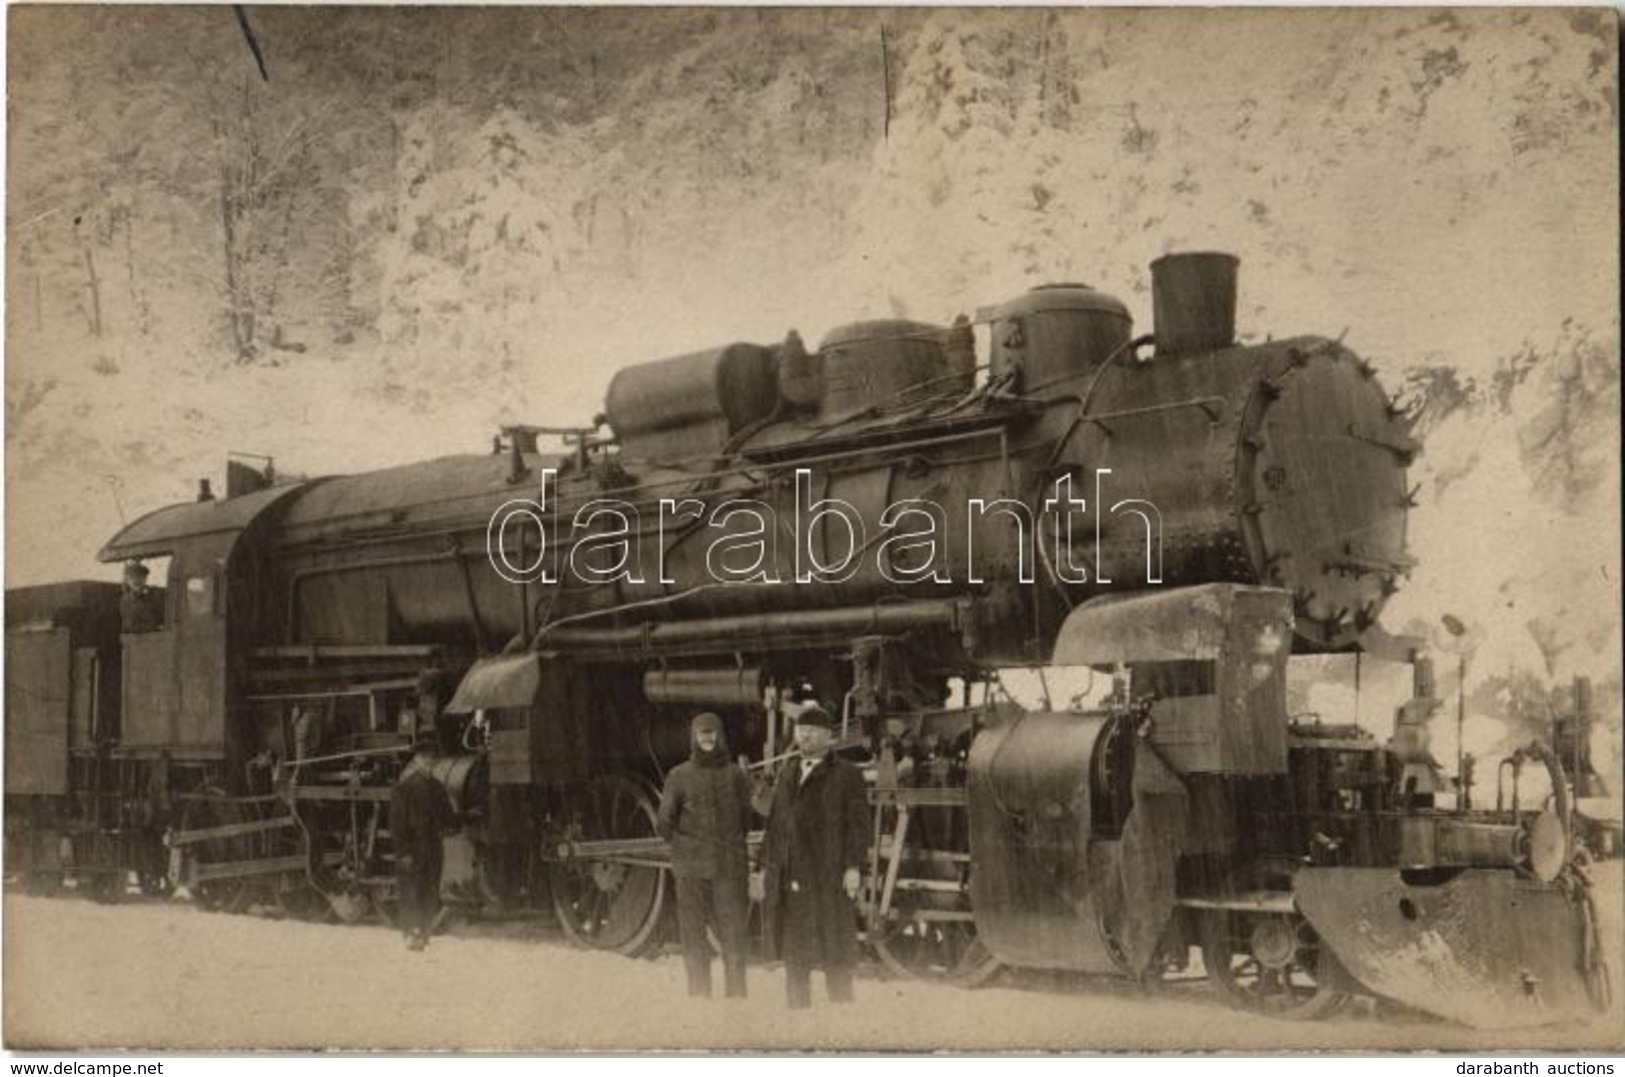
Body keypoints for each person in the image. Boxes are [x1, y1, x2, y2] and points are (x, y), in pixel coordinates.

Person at [760, 702, 868, 1009]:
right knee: (795, 950)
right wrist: (766, 866)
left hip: (829, 873)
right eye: (801, 731)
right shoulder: (788, 771)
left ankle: (842, 1008)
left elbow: (858, 825)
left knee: (835, 945)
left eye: (812, 732)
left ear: (827, 737)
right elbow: (775, 823)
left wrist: (853, 866)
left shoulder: (847, 775)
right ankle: (797, 1009)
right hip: (793, 874)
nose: (805, 737)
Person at [656, 712, 753, 999]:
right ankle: (699, 997)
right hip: (692, 873)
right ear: (694, 738)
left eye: (711, 734)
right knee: (694, 937)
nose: (707, 740)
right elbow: (664, 824)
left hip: (727, 870)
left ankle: (736, 1000)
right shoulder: (678, 776)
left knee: (733, 937)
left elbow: (746, 821)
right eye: (702, 734)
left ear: (720, 736)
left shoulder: (736, 775)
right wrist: (689, 850)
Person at [390, 727, 456, 952]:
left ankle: (424, 932)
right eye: (425, 757)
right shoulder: (404, 789)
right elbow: (397, 826)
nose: (429, 762)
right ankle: (411, 933)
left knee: (429, 888)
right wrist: (403, 852)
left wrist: (466, 818)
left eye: (432, 758)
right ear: (417, 760)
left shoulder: (437, 788)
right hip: (413, 848)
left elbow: (448, 817)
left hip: (433, 847)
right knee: (411, 890)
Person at [119, 560, 162, 633]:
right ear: (128, 580)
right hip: (135, 639)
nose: (136, 581)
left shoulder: (153, 596)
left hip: (154, 637)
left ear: (145, 579)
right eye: (132, 577)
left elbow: (159, 617)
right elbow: (130, 625)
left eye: (140, 577)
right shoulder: (126, 599)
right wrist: (154, 627)